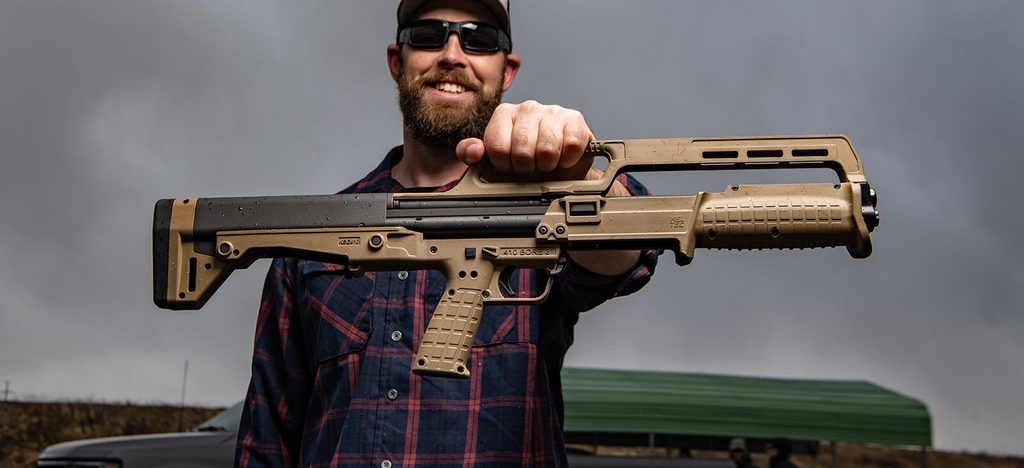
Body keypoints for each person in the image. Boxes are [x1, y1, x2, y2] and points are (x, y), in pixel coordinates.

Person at [235, 1, 659, 466]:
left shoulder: (547, 212)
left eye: (479, 39)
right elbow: (266, 440)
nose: (453, 54)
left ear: (507, 70)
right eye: (428, 35)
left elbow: (627, 253)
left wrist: (580, 177)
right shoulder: (314, 238)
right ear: (397, 61)